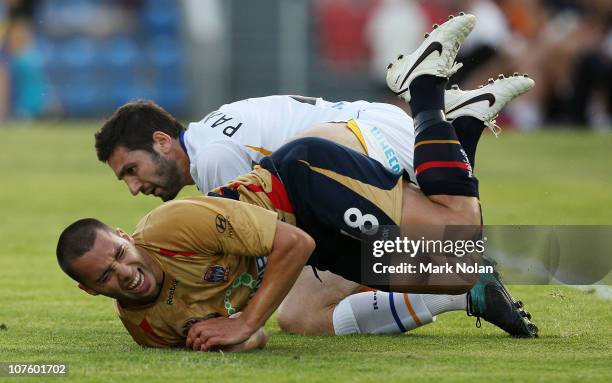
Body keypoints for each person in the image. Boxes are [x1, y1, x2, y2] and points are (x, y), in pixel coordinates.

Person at [60, 13, 538, 351]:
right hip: (344, 159)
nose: (133, 187)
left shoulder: (209, 165)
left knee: (455, 237)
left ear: (162, 141)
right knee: (307, 313)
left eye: (130, 169)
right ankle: (460, 136)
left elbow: (276, 246)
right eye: (105, 275)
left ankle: (428, 94)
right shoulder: (210, 138)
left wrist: (242, 320)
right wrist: (228, 325)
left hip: (343, 152)